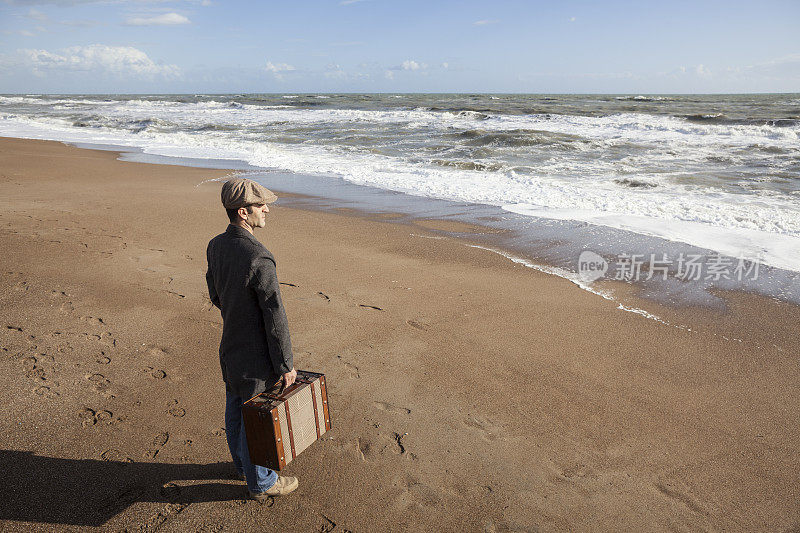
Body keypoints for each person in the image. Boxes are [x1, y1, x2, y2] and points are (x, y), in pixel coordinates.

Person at [205, 178, 299, 500]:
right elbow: (275, 316)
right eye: (261, 206)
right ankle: (262, 482)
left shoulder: (216, 245)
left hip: (229, 346)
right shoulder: (259, 256)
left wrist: (235, 312)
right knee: (255, 420)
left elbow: (214, 292)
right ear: (243, 212)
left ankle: (244, 467)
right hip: (256, 357)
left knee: (234, 409)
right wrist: (286, 364)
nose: (267, 210)